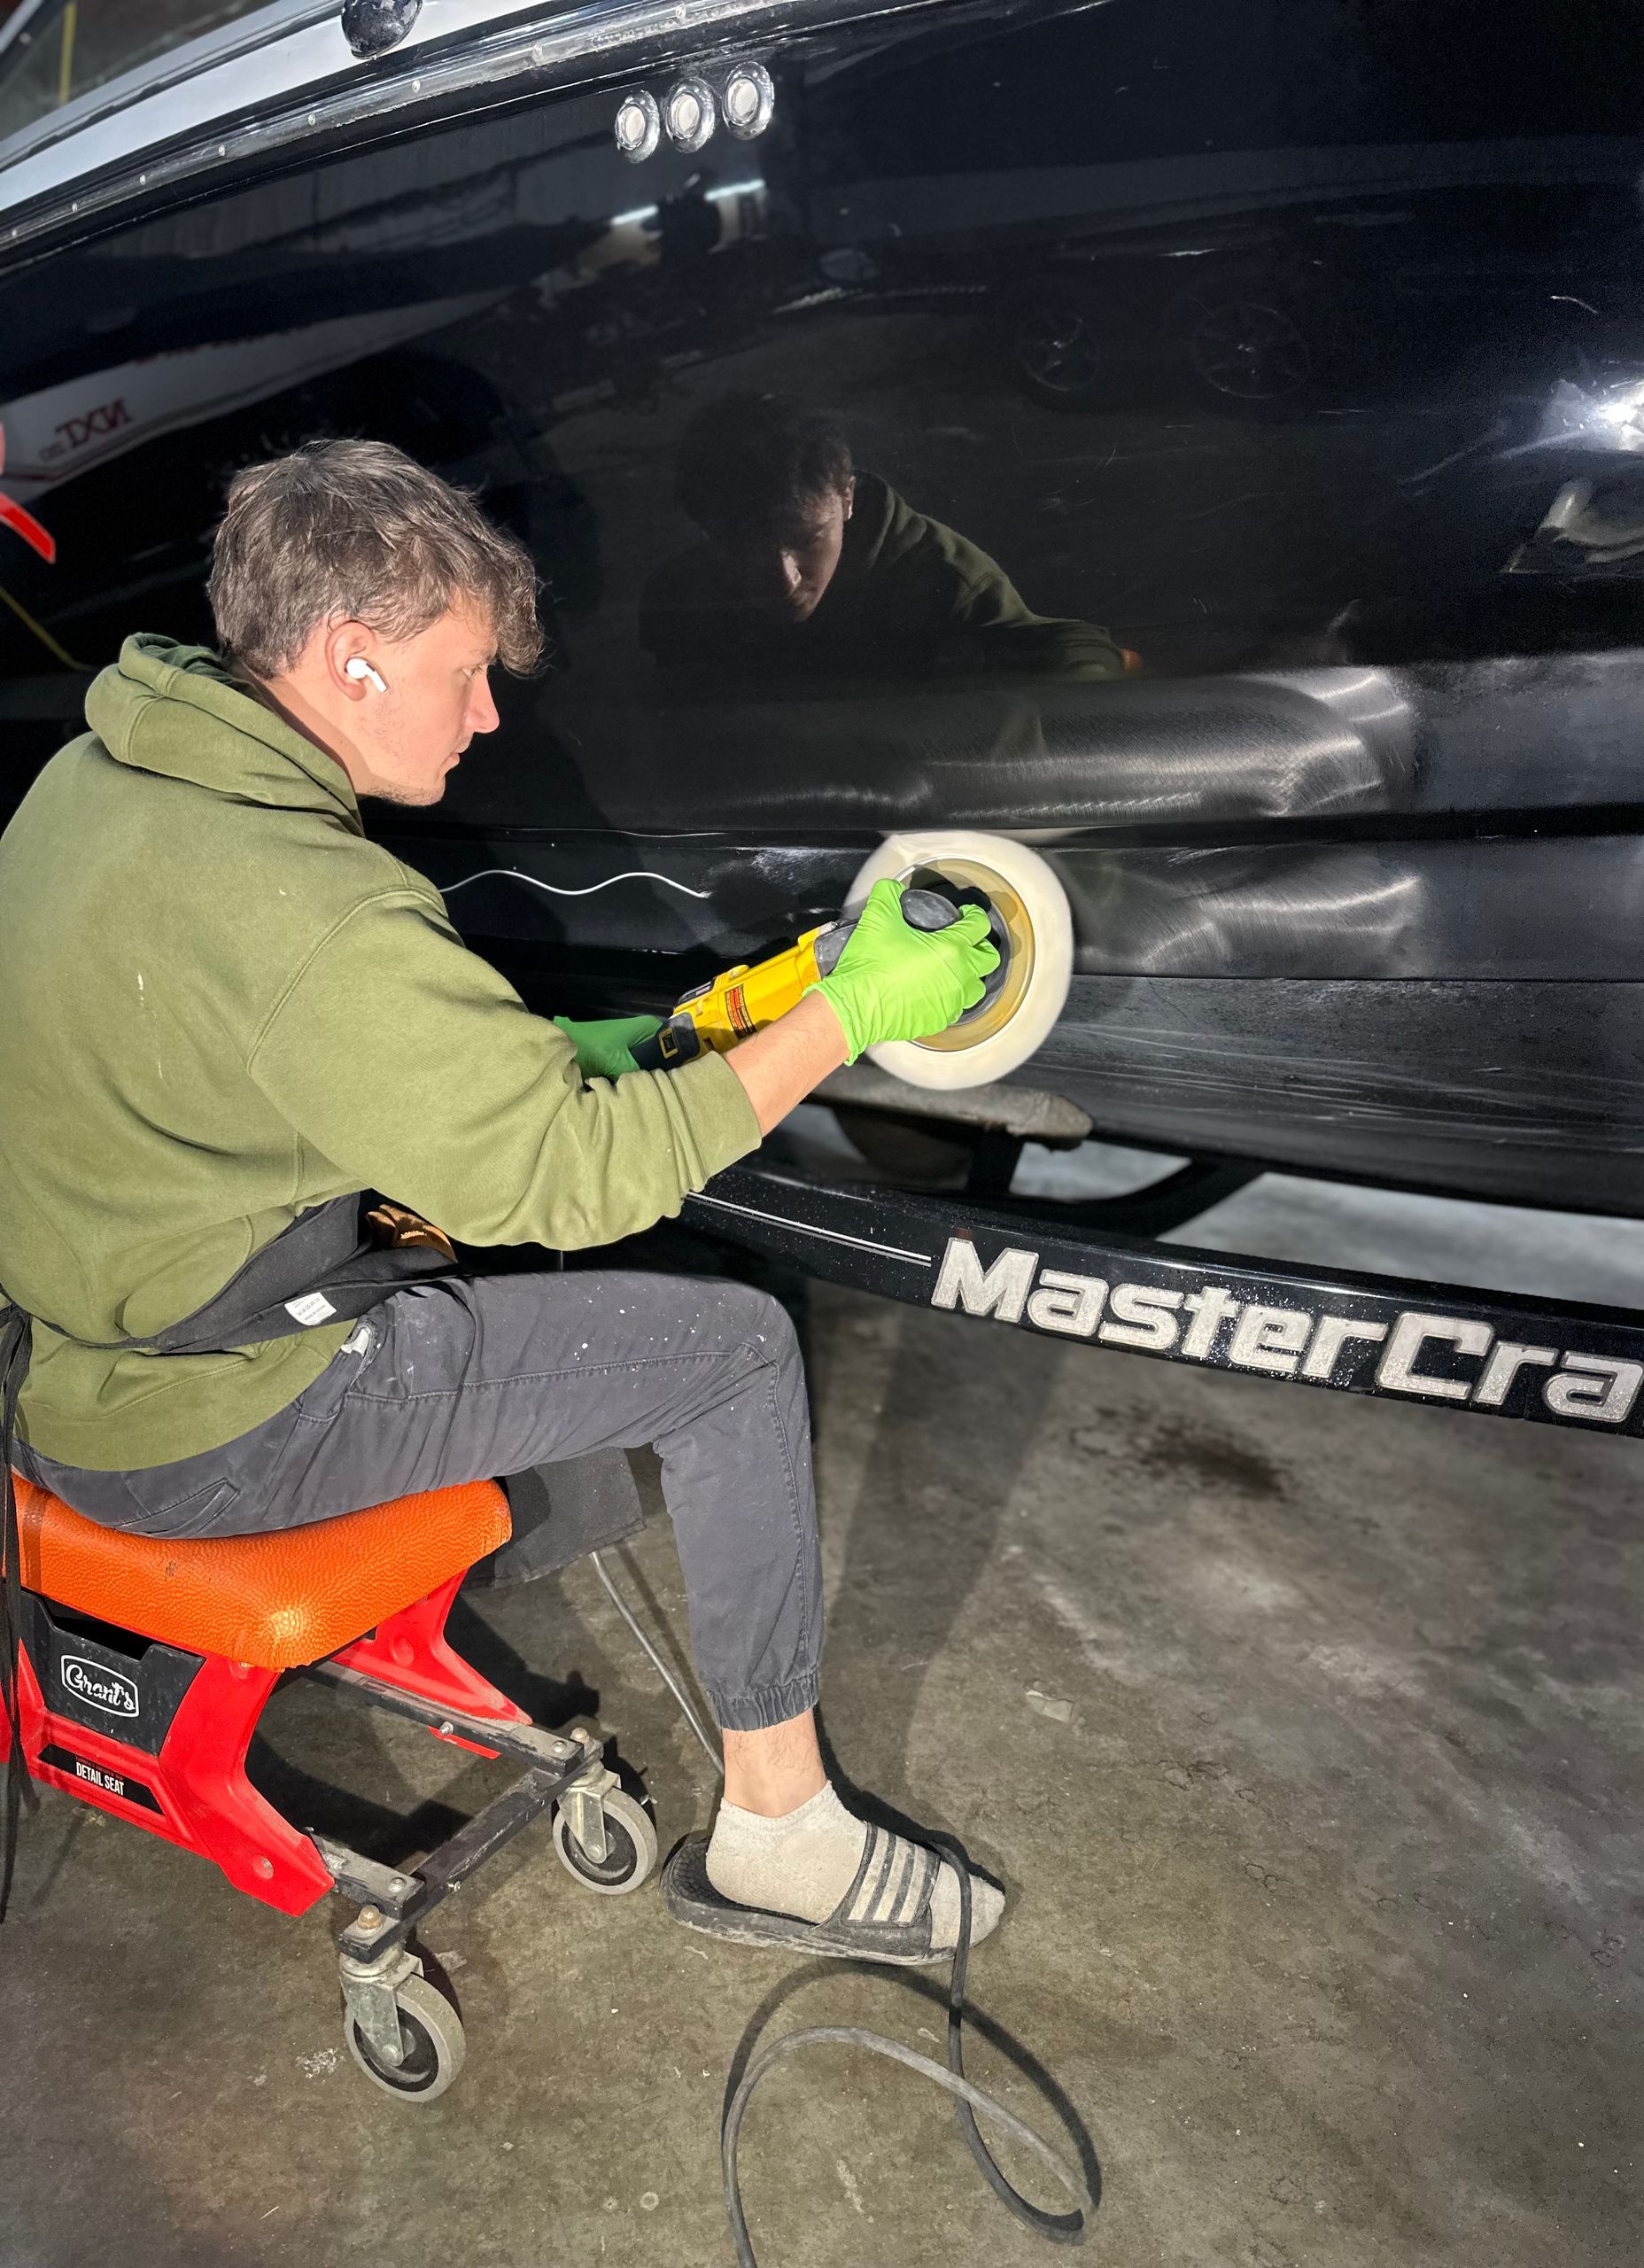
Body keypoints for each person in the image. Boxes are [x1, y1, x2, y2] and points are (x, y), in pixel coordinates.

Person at [0, 438, 1004, 1963]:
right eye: (464, 674)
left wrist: (679, 1037)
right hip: (215, 1420)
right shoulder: (315, 908)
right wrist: (847, 1019)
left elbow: (316, 1063)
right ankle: (780, 1835)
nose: (486, 714)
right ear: (346, 662)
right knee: (729, 1345)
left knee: (520, 1255)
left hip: (77, 1358)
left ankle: (524, 1541)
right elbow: (569, 1176)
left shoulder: (94, 778)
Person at [640, 391, 1129, 694]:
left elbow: (1073, 651)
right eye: (740, 543)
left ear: (848, 498)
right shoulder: (680, 597)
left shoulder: (947, 581)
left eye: (808, 539)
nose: (781, 579)